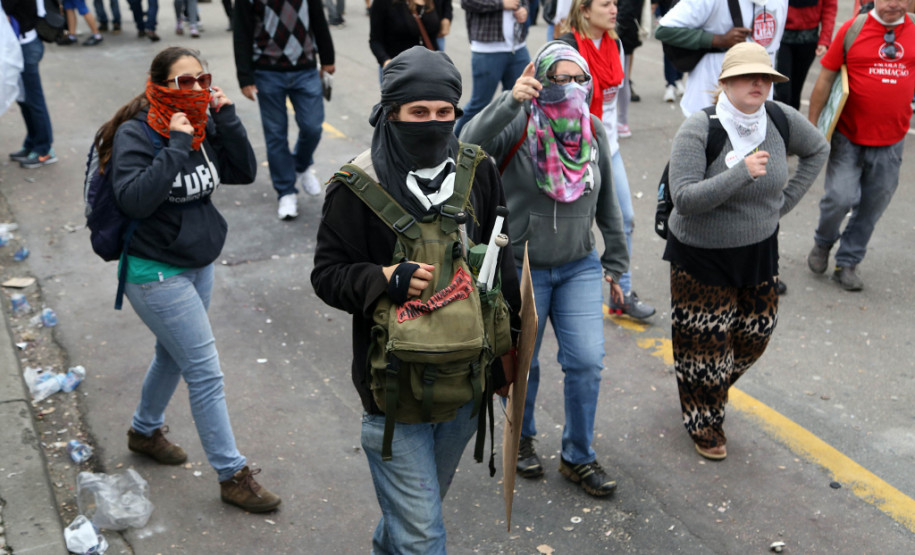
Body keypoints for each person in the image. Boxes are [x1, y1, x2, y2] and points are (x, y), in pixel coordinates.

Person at [312, 46, 521, 552]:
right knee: (423, 534)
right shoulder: (355, 186)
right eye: (418, 112)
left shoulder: (479, 170)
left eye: (444, 112)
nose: (432, 123)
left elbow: (503, 260)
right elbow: (327, 275)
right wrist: (383, 278)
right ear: (391, 114)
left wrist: (510, 352)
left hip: (466, 383)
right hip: (393, 394)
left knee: (414, 517)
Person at [99, 46, 281, 511]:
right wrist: (176, 146)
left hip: (197, 263)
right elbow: (134, 199)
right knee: (203, 370)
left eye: (203, 80)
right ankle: (232, 474)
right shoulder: (138, 133)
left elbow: (243, 171)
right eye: (184, 82)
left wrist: (227, 117)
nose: (196, 89)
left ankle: (144, 431)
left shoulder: (201, 124)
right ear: (159, 84)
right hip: (154, 272)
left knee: (173, 356)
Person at [461, 41, 628, 497]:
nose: (570, 87)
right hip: (522, 266)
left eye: (578, 79)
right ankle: (522, 438)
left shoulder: (592, 129)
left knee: (587, 362)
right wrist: (509, 100)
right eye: (559, 78)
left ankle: (578, 456)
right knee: (523, 363)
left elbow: (608, 202)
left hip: (578, 265)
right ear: (541, 80)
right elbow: (466, 144)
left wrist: (616, 260)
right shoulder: (518, 121)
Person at [665, 42, 828, 460]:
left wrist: (781, 204)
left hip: (759, 250)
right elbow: (685, 199)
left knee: (756, 334)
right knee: (704, 348)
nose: (758, 83)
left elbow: (818, 149)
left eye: (765, 77)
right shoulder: (700, 128)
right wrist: (740, 173)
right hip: (702, 255)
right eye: (747, 77)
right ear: (725, 82)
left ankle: (705, 390)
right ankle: (704, 422)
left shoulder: (780, 118)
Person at [805, 0, 914, 291]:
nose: (895, 3)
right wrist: (812, 130)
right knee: (838, 198)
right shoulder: (852, 29)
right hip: (848, 137)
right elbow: (825, 79)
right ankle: (823, 242)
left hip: (892, 141)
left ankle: (848, 262)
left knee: (872, 206)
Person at [557, 0, 655, 319]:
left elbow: (616, 99)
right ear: (584, 10)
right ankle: (557, 294)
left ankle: (621, 293)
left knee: (624, 219)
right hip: (573, 153)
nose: (614, 9)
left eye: (615, 3)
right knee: (573, 228)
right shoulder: (567, 49)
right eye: (605, 3)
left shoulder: (616, 44)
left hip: (608, 150)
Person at [233, 0, 335, 220]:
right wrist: (244, 77)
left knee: (312, 127)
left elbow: (318, 18)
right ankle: (286, 191)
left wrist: (328, 58)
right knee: (276, 135)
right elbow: (241, 31)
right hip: (267, 71)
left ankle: (300, 165)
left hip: (306, 68)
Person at [655, 0, 788, 117]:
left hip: (759, 106)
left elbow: (774, 46)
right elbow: (664, 30)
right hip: (710, 102)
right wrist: (716, 39)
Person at [454, 0, 531, 136]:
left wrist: (524, 9)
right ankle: (454, 142)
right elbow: (467, 2)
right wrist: (501, 4)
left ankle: (510, 143)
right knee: (480, 103)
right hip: (487, 48)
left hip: (518, 47)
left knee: (521, 102)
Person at [3, 0, 58, 169]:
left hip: (26, 46)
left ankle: (44, 149)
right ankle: (32, 143)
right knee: (24, 100)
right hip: (20, 46)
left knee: (34, 100)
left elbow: (8, 11)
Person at [773, 0, 837, 109]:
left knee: (795, 94)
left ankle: (792, 119)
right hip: (781, 38)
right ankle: (777, 118)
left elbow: (830, 6)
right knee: (783, 93)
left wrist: (825, 39)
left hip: (808, 39)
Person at [369, 0, 440, 78]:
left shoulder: (433, 2)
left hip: (430, 69)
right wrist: (386, 62)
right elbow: (375, 40)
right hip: (398, 72)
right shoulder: (384, 2)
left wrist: (447, 18)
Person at [615, 0, 642, 136]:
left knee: (620, 80)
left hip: (621, 34)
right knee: (622, 79)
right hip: (625, 32)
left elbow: (626, 11)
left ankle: (622, 121)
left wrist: (616, 29)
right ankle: (621, 121)